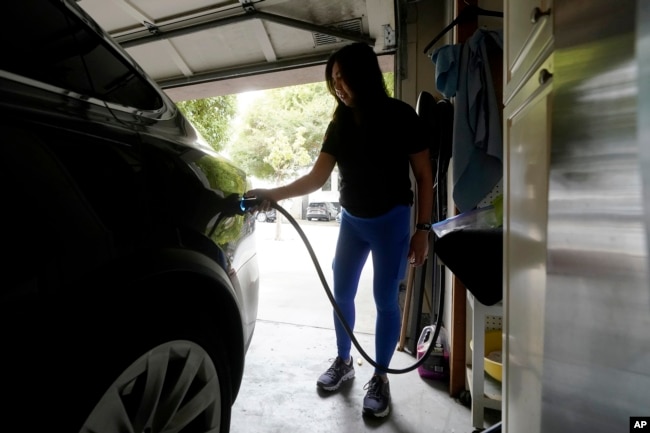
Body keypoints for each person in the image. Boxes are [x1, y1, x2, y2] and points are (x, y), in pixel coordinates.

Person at [245, 42, 433, 418]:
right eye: (334, 81)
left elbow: (424, 176)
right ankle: (344, 361)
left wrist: (422, 230)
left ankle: (380, 377)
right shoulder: (340, 122)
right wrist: (273, 193)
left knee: (384, 300)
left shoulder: (401, 116)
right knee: (341, 292)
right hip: (351, 222)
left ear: (364, 76)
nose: (339, 87)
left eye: (343, 78)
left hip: (392, 221)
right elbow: (317, 178)